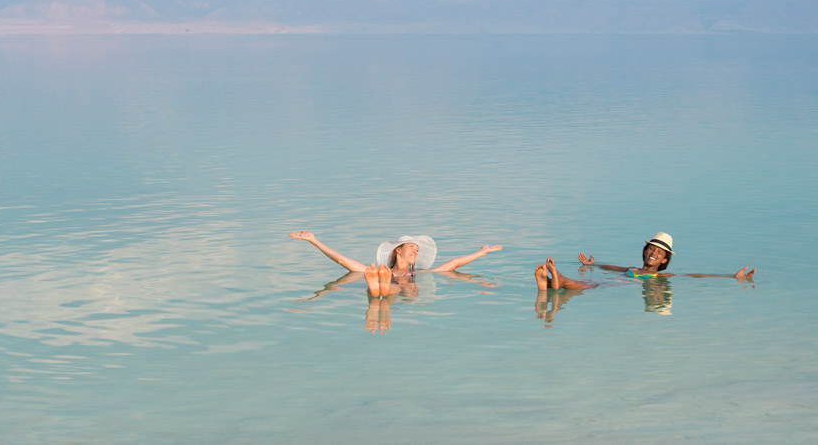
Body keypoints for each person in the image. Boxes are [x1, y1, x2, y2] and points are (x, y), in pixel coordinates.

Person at [288, 231, 502, 297]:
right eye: (412, 247)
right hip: (386, 279)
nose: (416, 251)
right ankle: (380, 289)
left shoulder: (420, 273)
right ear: (398, 250)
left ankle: (378, 289)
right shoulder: (384, 270)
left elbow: (454, 263)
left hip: (388, 282)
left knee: (392, 286)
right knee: (388, 283)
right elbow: (342, 260)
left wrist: (482, 252)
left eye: (418, 250)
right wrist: (314, 241)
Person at [535, 232, 756, 291]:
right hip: (618, 279)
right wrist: (593, 265)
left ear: (664, 260)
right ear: (644, 251)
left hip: (621, 285)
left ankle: (560, 280)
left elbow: (694, 275)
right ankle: (548, 284)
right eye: (650, 248)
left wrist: (730, 277)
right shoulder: (632, 268)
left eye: (659, 252)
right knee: (591, 285)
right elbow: (613, 267)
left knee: (592, 286)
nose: (653, 252)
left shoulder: (659, 276)